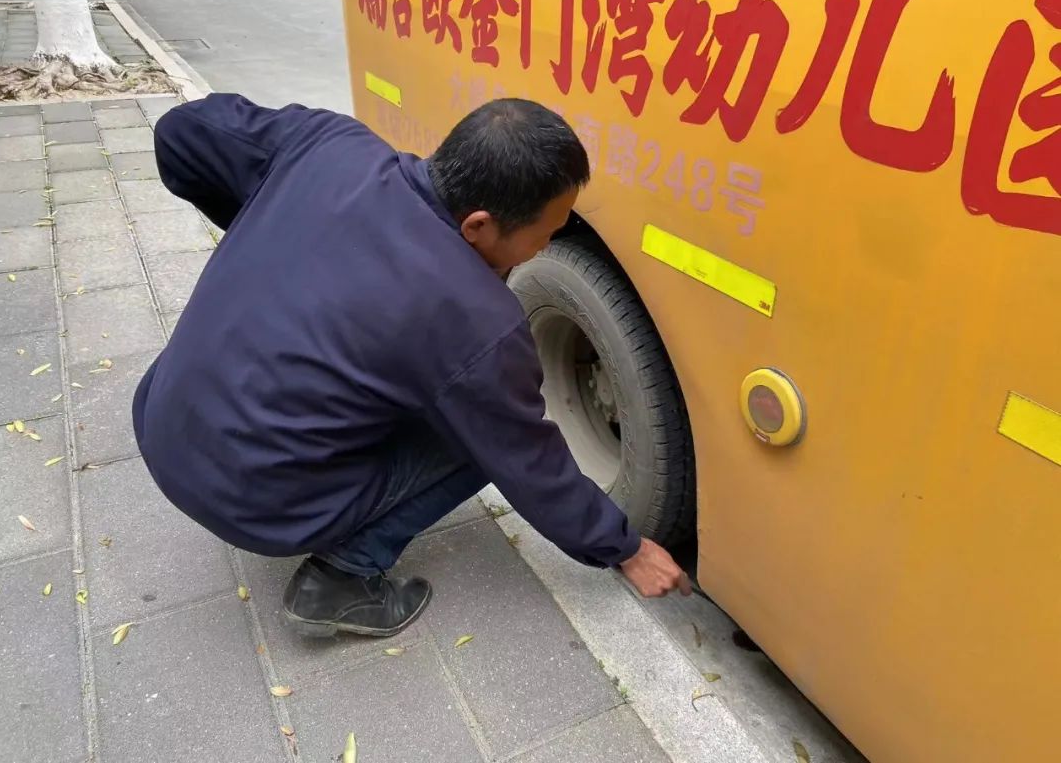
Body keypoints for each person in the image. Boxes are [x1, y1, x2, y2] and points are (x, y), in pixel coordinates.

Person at [132, 93, 690, 639]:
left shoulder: (328, 144)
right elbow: (528, 461)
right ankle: (341, 579)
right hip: (252, 501)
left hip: (160, 418)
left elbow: (180, 132)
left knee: (433, 390)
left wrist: (262, 224)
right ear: (478, 226)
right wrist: (625, 548)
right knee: (478, 437)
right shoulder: (476, 321)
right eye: (543, 234)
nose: (545, 247)